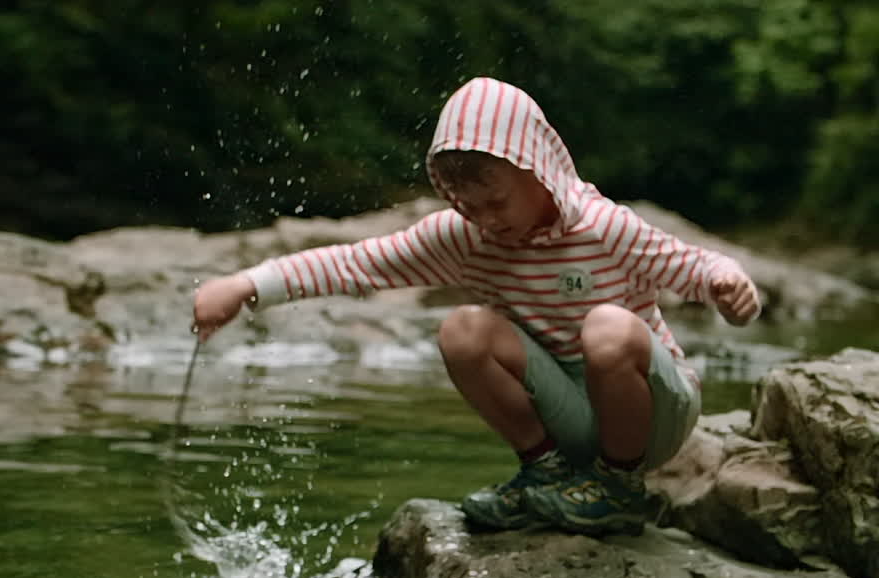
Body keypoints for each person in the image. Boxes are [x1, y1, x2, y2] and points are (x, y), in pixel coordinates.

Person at [192, 77, 761, 536]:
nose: (487, 220)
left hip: (654, 416)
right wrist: (246, 285)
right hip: (568, 419)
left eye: (496, 201)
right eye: (468, 206)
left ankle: (617, 491)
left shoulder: (602, 226)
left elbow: (692, 265)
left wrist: (730, 286)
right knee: (464, 330)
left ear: (538, 169)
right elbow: (357, 263)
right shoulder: (465, 237)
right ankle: (548, 473)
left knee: (608, 327)